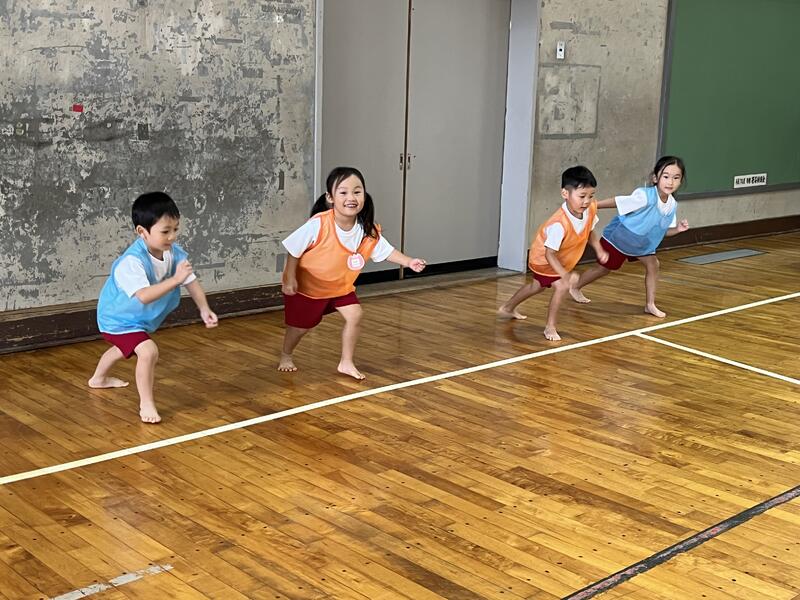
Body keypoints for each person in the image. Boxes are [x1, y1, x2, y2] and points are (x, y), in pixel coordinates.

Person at [279, 167, 426, 380]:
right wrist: (290, 278)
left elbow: (386, 251)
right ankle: (286, 354)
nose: (351, 197)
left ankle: (346, 362)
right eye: (343, 192)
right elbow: (293, 250)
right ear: (330, 197)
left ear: (364, 195)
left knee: (355, 314)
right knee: (300, 328)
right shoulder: (319, 224)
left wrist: (409, 261)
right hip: (309, 288)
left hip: (340, 287)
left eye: (357, 192)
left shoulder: (367, 230)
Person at [89, 192, 218, 423]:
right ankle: (146, 405)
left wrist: (204, 308)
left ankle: (98, 379)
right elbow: (144, 296)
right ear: (142, 232)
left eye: (176, 229)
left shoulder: (174, 253)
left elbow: (190, 280)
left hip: (138, 320)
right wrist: (175, 280)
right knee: (148, 351)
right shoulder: (131, 262)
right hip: (117, 319)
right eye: (165, 231)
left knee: (123, 348)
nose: (172, 236)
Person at [570, 156, 689, 317]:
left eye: (676, 178)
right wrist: (592, 205)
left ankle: (650, 304)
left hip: (642, 244)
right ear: (655, 178)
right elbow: (618, 202)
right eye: (666, 176)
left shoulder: (672, 205)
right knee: (603, 269)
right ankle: (575, 286)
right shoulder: (644, 196)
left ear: (681, 181)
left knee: (653, 265)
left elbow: (663, 231)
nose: (670, 182)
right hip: (620, 238)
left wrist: (678, 229)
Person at [498, 166, 608, 341]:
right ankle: (550, 327)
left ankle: (507, 307)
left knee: (537, 286)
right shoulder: (559, 224)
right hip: (543, 259)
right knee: (562, 286)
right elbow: (549, 254)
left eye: (591, 196)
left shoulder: (589, 210)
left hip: (560, 260)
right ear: (565, 193)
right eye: (582, 196)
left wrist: (599, 249)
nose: (587, 201)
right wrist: (565, 275)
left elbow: (590, 231)